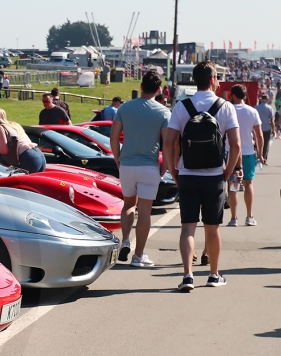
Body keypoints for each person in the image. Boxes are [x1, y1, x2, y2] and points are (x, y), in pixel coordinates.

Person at [162, 61, 241, 291]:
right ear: (214, 79)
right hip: (214, 175)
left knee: (188, 227)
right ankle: (214, 275)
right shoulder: (225, 106)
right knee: (212, 227)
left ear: (194, 80)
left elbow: (169, 142)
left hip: (187, 173)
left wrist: (173, 169)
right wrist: (226, 172)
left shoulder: (182, 106)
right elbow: (236, 144)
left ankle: (188, 276)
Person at [111, 71, 171, 267]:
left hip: (127, 163)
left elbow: (114, 136)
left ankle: (125, 240)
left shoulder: (125, 107)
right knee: (145, 212)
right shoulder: (163, 112)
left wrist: (117, 158)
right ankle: (139, 255)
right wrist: (165, 166)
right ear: (159, 89)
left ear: (141, 85)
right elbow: (167, 143)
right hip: (149, 165)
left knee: (129, 205)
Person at [224, 84, 263, 227]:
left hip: (231, 152)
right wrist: (260, 154)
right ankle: (249, 216)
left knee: (233, 185)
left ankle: (234, 218)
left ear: (232, 95)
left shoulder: (228, 110)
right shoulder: (252, 111)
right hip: (248, 152)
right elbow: (259, 136)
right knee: (248, 183)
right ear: (245, 96)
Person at [0, 107, 45, 173]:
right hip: (39, 154)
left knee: (18, 182)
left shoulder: (0, 128)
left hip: (28, 157)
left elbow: (4, 151)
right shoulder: (14, 124)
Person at [255, 93, 276, 165]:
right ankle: (264, 158)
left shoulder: (256, 107)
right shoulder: (270, 108)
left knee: (257, 143)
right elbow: (272, 120)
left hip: (257, 128)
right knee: (266, 144)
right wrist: (273, 130)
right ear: (267, 100)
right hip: (267, 128)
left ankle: (257, 157)